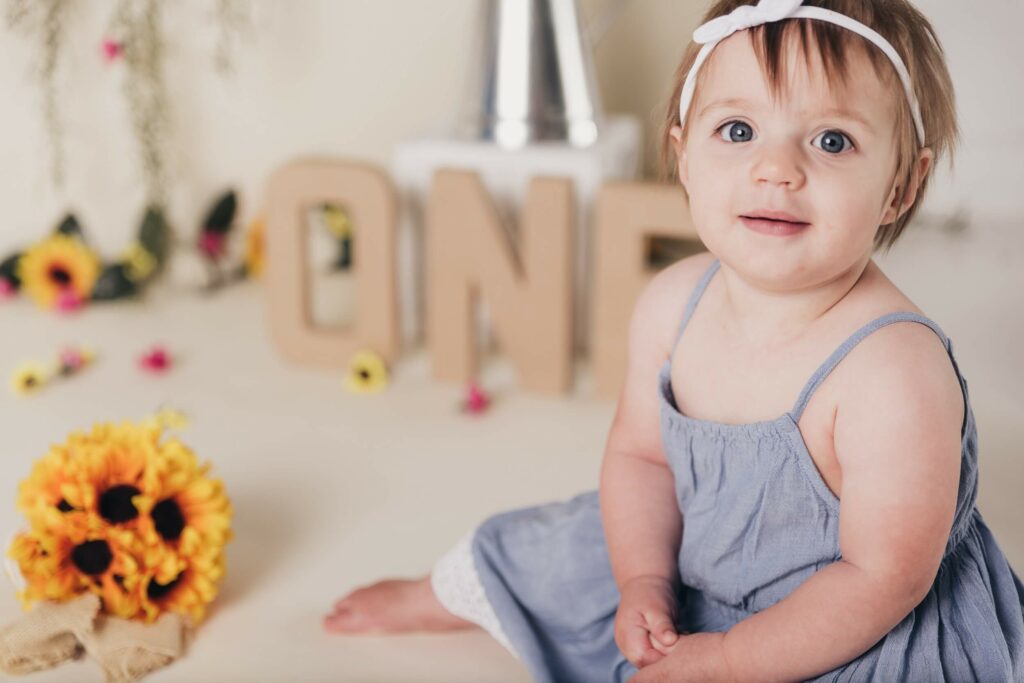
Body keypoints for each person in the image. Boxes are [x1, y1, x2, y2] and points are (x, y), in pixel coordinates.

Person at [323, 1, 1024, 680]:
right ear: (683, 157)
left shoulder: (894, 372)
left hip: (852, 618)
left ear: (901, 186)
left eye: (831, 140)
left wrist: (729, 660)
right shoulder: (671, 304)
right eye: (739, 131)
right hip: (695, 555)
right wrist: (644, 578)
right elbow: (640, 458)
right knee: (563, 544)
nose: (776, 168)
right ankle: (451, 592)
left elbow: (886, 578)